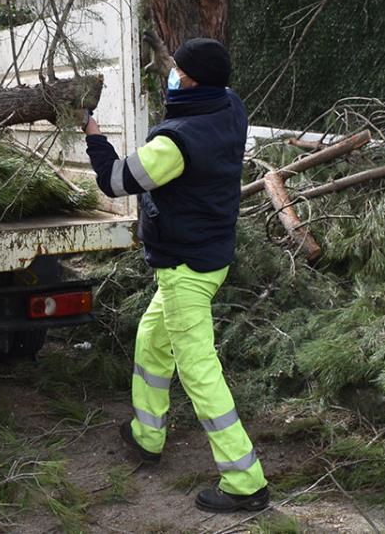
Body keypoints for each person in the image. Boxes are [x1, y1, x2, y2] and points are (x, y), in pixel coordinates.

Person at [83, 38, 269, 513]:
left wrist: (93, 134)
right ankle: (147, 436)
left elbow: (117, 180)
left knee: (199, 371)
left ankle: (246, 482)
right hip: (210, 254)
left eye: (177, 71)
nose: (172, 76)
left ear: (191, 79)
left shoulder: (177, 142)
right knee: (151, 341)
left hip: (186, 267)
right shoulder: (230, 105)